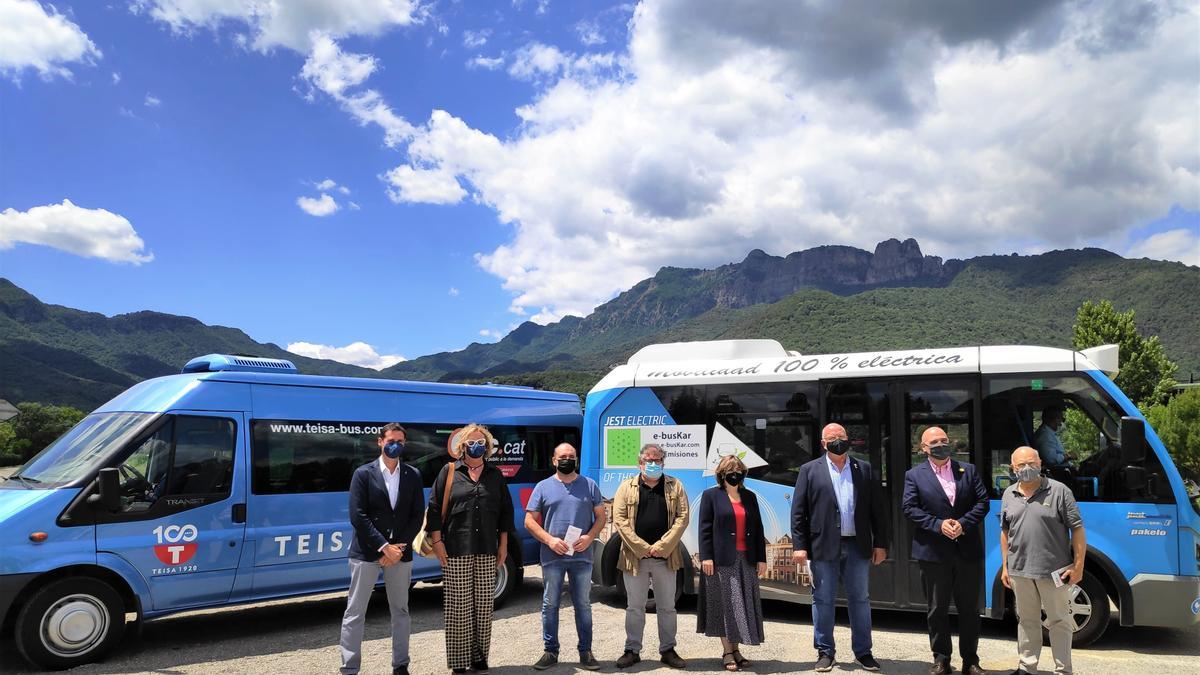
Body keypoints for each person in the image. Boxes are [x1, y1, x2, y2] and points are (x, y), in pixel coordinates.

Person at [791, 423, 888, 673]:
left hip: (858, 545)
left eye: (841, 436)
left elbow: (879, 510)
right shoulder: (809, 470)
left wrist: (881, 543)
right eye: (832, 438)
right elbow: (798, 512)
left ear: (848, 440)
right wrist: (800, 546)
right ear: (823, 443)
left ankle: (863, 652)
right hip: (822, 546)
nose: (837, 440)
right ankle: (825, 652)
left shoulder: (863, 469)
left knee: (860, 599)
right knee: (822, 599)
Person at [426, 424, 515, 674]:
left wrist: (504, 545)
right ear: (462, 446)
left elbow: (505, 512)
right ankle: (458, 662)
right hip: (455, 548)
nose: (477, 447)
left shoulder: (495, 475)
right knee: (458, 606)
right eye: (472, 442)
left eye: (481, 443)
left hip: (488, 548)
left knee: (483, 605)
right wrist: (437, 542)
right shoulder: (450, 471)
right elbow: (434, 508)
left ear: (486, 447)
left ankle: (479, 656)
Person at [901, 427, 990, 675]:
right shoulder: (914, 475)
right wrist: (938, 525)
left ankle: (970, 660)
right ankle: (941, 659)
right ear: (923, 448)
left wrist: (963, 524)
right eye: (935, 442)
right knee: (937, 609)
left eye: (944, 440)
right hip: (933, 553)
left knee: (970, 610)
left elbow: (982, 503)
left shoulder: (968, 470)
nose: (941, 444)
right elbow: (909, 508)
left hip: (967, 551)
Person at [340, 423, 426, 675]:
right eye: (391, 440)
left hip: (399, 554)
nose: (395, 445)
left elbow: (416, 514)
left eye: (400, 441)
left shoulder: (412, 474)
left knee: (400, 611)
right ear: (380, 442)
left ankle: (401, 666)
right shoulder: (363, 474)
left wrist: (397, 549)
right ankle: (349, 667)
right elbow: (358, 516)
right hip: (367, 553)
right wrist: (383, 547)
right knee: (355, 611)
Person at [1000, 446, 1086, 675]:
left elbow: (1077, 530)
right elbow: (1005, 532)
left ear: (1040, 464)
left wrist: (1078, 566)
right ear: (1013, 468)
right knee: (1027, 621)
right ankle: (1027, 667)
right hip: (1019, 570)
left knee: (1060, 622)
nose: (1027, 468)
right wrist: (1005, 567)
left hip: (1053, 571)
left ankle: (1063, 670)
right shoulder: (1009, 494)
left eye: (1031, 463)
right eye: (1021, 465)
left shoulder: (1059, 491)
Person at [525, 443, 606, 671]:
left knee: (583, 605)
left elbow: (601, 517)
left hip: (582, 556)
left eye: (571, 456)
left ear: (576, 459)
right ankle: (550, 652)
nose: (567, 459)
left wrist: (590, 537)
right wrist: (550, 540)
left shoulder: (589, 485)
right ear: (554, 460)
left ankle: (586, 652)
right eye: (563, 456)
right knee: (550, 605)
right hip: (553, 556)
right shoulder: (542, 487)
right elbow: (529, 521)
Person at [612, 443, 690, 670]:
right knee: (634, 607)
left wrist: (662, 546)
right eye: (648, 460)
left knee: (667, 607)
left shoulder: (675, 486)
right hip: (634, 559)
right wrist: (642, 547)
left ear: (663, 462)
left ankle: (668, 650)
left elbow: (682, 518)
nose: (653, 464)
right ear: (640, 463)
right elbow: (620, 520)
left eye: (657, 460)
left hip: (665, 558)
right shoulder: (626, 487)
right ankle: (632, 650)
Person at [697, 455, 767, 672]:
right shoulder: (711, 496)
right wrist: (706, 557)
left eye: (738, 468)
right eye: (730, 469)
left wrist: (762, 558)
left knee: (742, 605)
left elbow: (758, 529)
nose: (734, 472)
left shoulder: (750, 497)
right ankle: (727, 651)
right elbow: (704, 528)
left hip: (746, 559)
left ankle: (736, 650)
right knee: (727, 606)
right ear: (722, 473)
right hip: (721, 560)